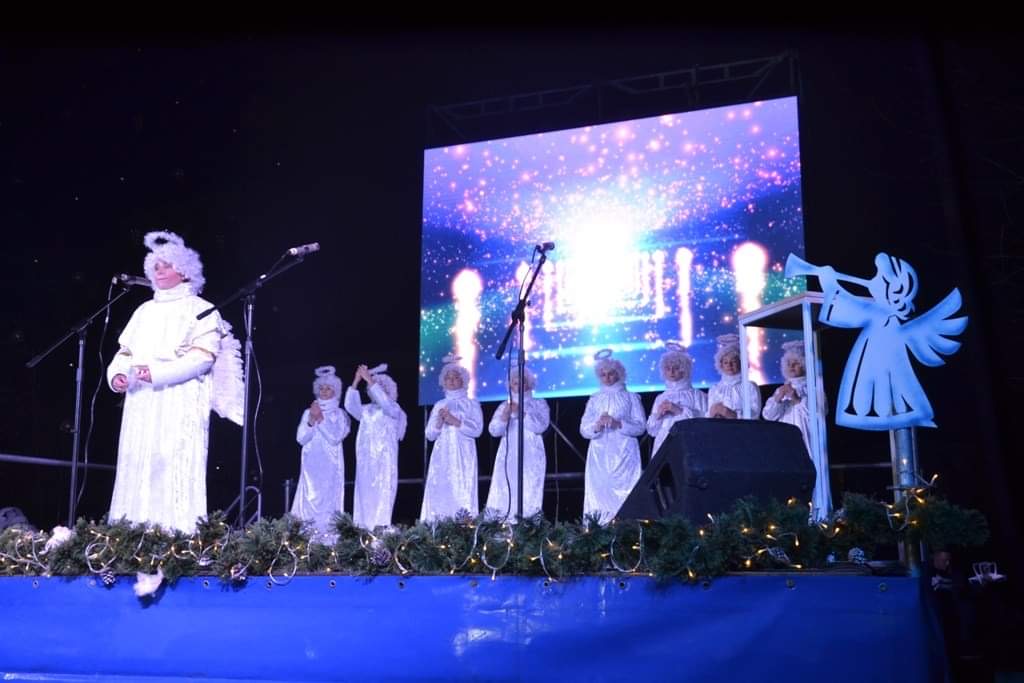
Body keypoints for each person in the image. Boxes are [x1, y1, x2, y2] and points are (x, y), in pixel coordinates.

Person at [106, 230, 242, 533]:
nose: (159, 270)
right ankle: (128, 536)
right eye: (155, 265)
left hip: (179, 400)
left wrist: (154, 373)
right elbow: (125, 352)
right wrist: (117, 375)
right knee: (136, 463)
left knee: (172, 465)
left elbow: (202, 359)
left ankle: (176, 540)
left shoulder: (201, 309)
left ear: (184, 269)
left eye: (166, 265)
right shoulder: (144, 311)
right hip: (141, 401)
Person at [761, 340, 831, 519]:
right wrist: (778, 398)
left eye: (796, 363)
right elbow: (768, 415)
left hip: (808, 438)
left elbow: (819, 412)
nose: (792, 366)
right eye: (789, 363)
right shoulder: (781, 389)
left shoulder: (813, 387)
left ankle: (818, 517)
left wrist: (796, 399)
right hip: (786, 441)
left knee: (812, 475)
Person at [580, 349, 646, 524]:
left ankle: (627, 528)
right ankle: (598, 529)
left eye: (611, 373)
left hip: (624, 452)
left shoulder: (631, 397)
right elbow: (584, 429)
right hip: (599, 454)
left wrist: (619, 424)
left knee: (626, 490)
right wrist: (597, 426)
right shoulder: (594, 399)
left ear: (619, 373)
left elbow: (641, 427)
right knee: (599, 492)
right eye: (603, 374)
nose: (607, 377)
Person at [420, 355, 483, 522]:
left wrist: (455, 421)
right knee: (441, 490)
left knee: (462, 489)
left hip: (463, 455)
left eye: (455, 377)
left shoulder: (471, 404)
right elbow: (430, 435)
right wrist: (439, 422)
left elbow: (477, 430)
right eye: (448, 378)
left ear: (463, 380)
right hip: (442, 455)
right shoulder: (439, 404)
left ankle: (464, 527)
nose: (452, 381)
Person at [291, 366, 351, 541]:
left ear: (335, 391)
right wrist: (311, 420)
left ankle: (328, 543)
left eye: (328, 388)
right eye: (322, 388)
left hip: (330, 468)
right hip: (311, 467)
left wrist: (320, 419)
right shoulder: (308, 411)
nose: (324, 392)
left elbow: (335, 437)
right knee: (308, 501)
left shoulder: (340, 414)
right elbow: (301, 438)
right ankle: (305, 541)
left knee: (328, 503)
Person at [345, 363, 407, 531]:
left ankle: (380, 531)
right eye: (372, 387)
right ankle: (362, 531)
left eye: (380, 388)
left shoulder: (394, 408)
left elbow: (385, 404)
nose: (375, 390)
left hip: (384, 461)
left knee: (383, 493)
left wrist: (370, 379)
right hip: (365, 461)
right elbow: (350, 406)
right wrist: (357, 380)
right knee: (363, 494)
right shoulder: (366, 410)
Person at [484, 366, 550, 520]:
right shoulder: (504, 405)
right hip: (508, 455)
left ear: (529, 384)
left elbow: (540, 426)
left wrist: (521, 413)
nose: (519, 385)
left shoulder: (539, 403)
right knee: (505, 488)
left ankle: (527, 526)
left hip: (531, 453)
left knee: (529, 487)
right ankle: (502, 526)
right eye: (515, 382)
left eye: (523, 382)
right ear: (510, 385)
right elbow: (494, 431)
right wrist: (504, 416)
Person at [647, 343, 708, 457]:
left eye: (676, 368)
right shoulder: (660, 398)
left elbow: (704, 425)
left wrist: (679, 411)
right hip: (662, 448)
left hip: (689, 448)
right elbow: (652, 431)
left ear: (684, 369)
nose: (671, 372)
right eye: (668, 368)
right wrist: (658, 416)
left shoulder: (698, 395)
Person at [707, 333, 761, 419]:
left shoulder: (750, 386)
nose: (729, 365)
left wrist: (733, 414)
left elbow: (755, 413)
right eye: (726, 362)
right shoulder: (715, 389)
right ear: (721, 365)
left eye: (734, 361)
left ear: (741, 363)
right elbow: (709, 413)